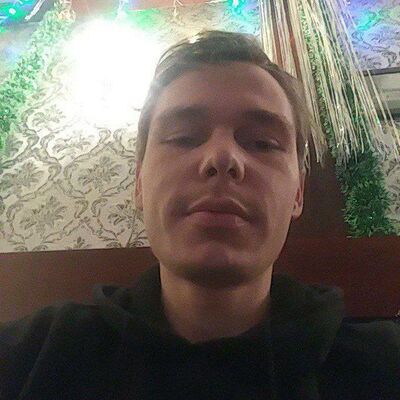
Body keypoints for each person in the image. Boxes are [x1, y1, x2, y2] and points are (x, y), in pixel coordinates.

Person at [0, 30, 399, 400]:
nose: (222, 158)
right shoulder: (33, 356)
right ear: (139, 184)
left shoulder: (383, 365)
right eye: (184, 137)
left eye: (262, 143)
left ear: (297, 193)